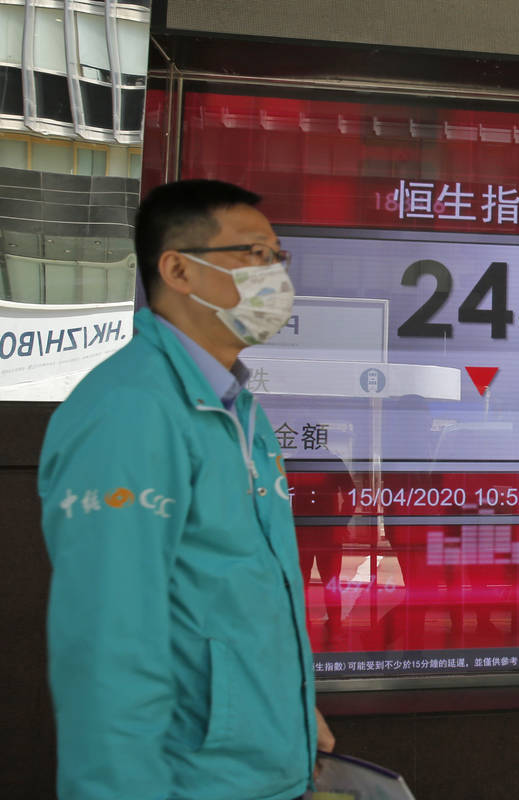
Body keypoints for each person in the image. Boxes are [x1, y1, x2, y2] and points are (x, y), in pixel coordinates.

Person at [38, 179, 334, 800]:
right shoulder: (131, 410)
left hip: (257, 772)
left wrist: (287, 713)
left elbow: (227, 600)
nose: (274, 275)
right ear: (178, 269)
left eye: (278, 258)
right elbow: (107, 643)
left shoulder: (235, 407)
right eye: (253, 254)